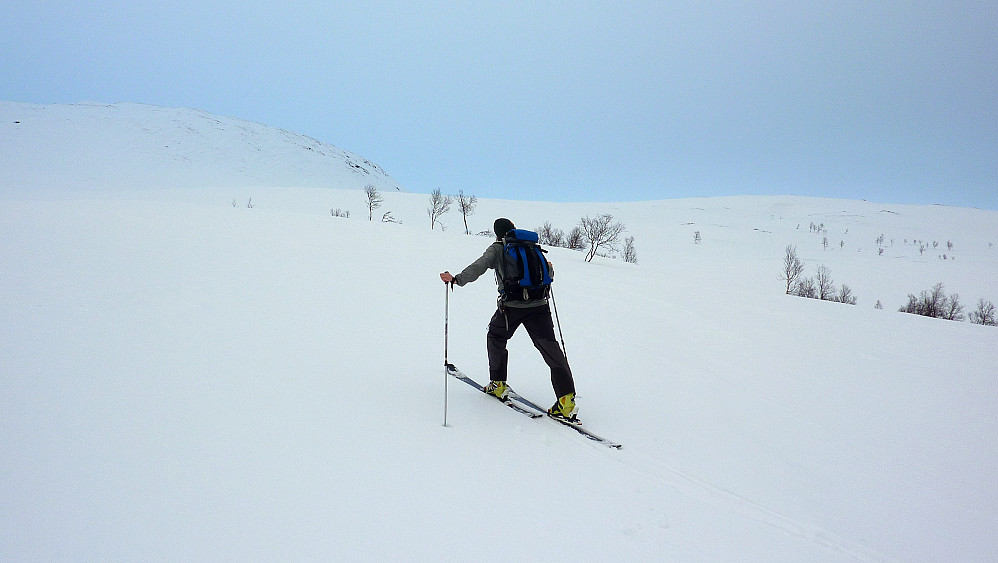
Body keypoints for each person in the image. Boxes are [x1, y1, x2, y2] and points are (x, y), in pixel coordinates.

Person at [440, 218, 577, 420]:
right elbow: (548, 273)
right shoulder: (531, 247)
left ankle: (498, 384)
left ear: (497, 233)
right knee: (550, 348)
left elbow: (480, 265)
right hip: (540, 305)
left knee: (495, 336)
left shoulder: (498, 248)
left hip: (512, 307)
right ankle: (566, 401)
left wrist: (457, 279)